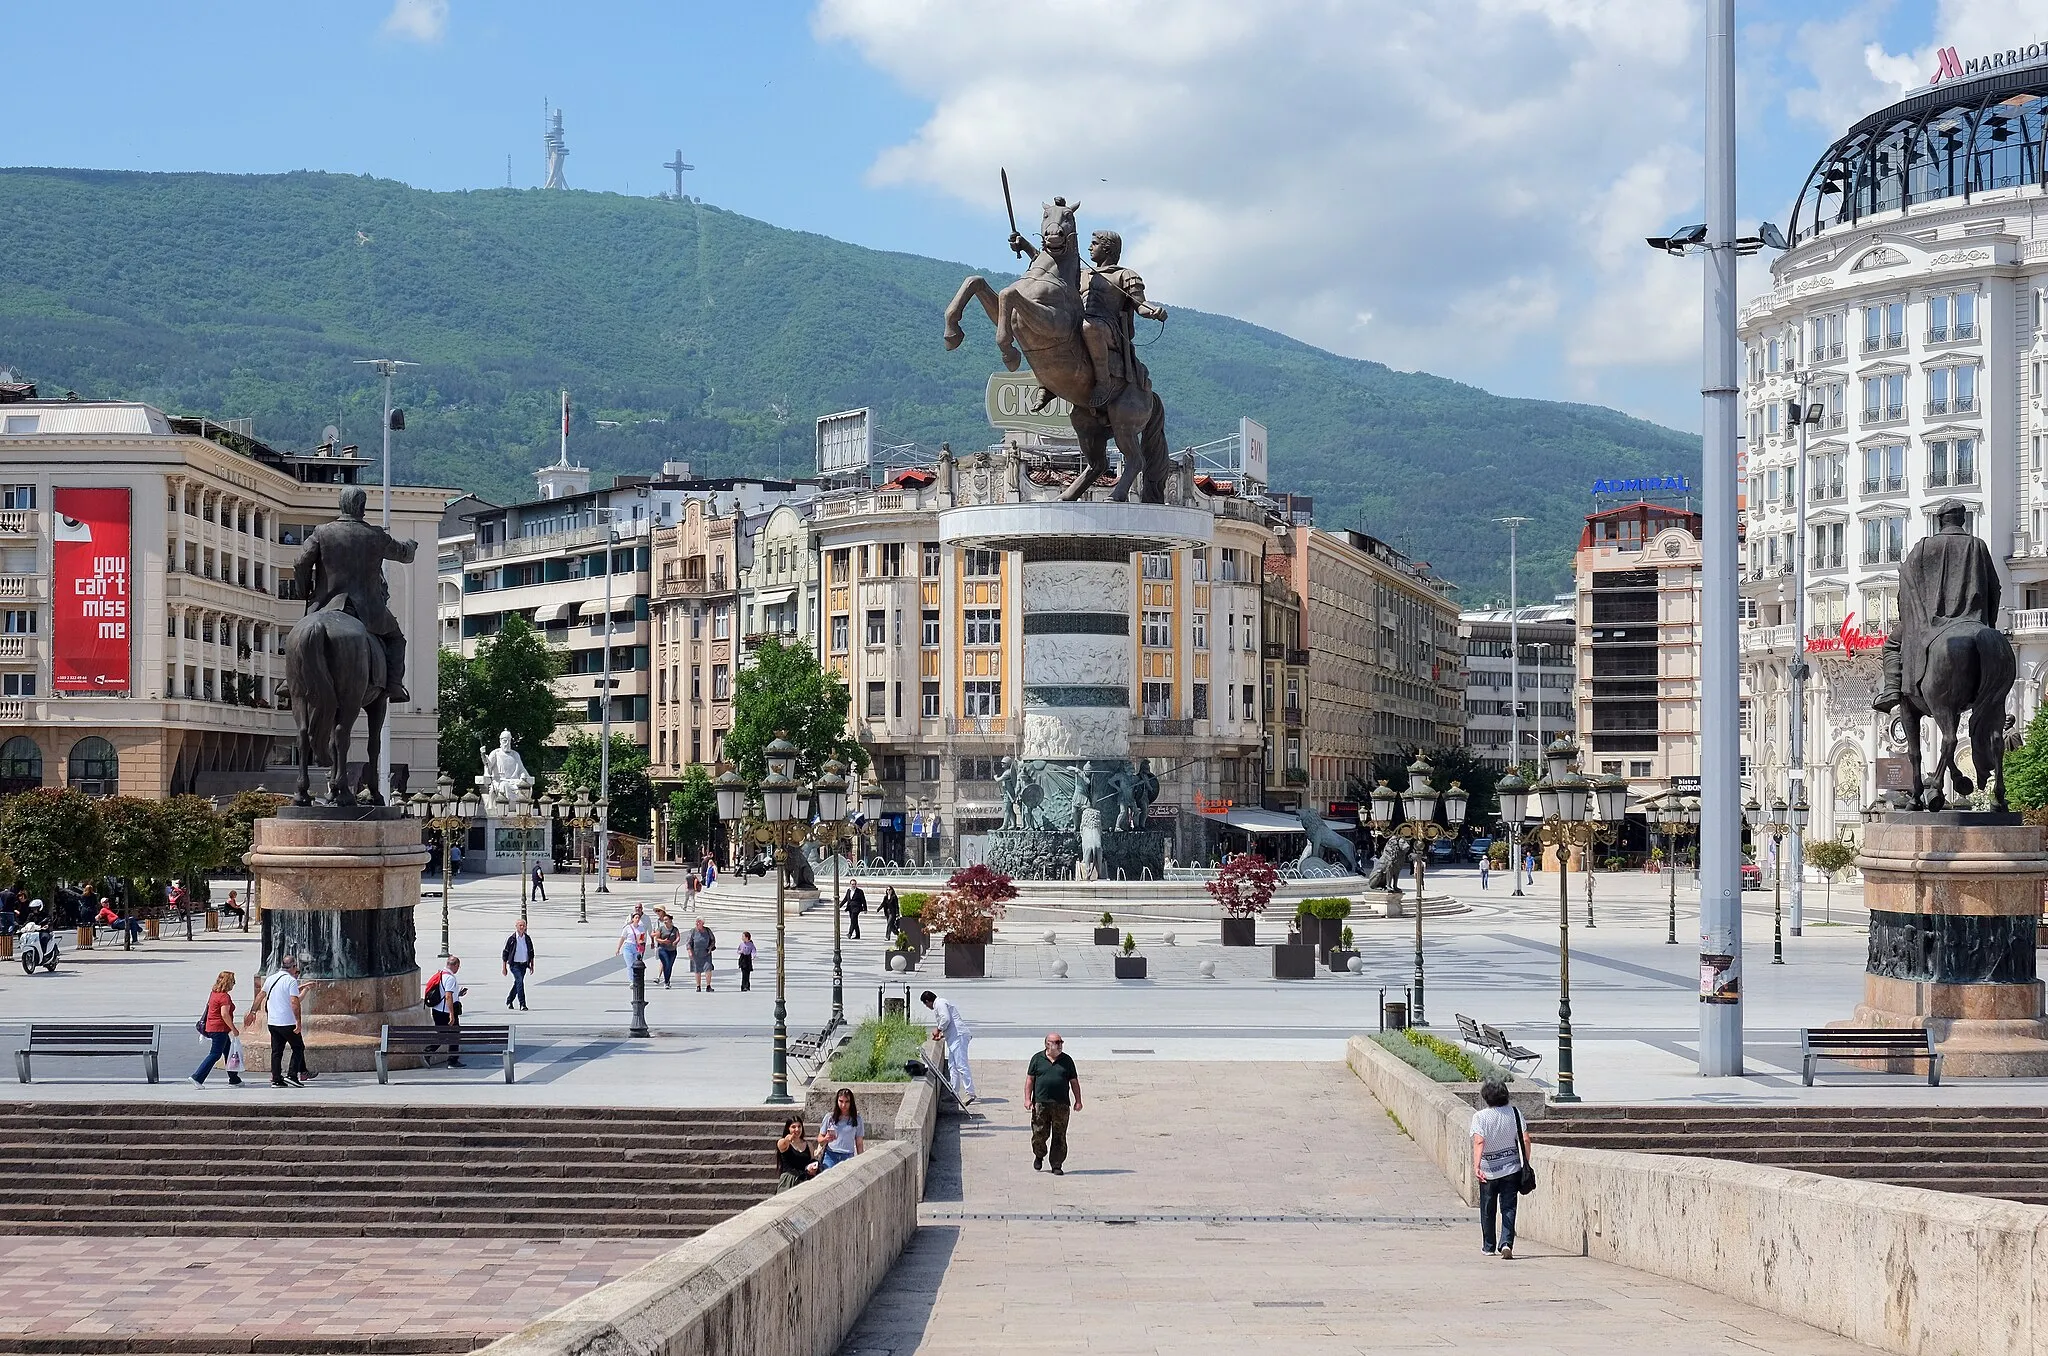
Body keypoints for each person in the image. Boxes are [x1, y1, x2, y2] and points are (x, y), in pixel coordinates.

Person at [293, 484, 417, 703]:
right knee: (397, 638)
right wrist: (411, 545)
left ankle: (290, 681)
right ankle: (395, 685)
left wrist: (304, 591)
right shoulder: (375, 535)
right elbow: (404, 554)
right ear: (362, 506)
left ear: (341, 505)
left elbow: (300, 563)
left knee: (299, 637)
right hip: (368, 610)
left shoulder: (322, 532)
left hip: (325, 606)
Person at [1470, 1079, 1532, 1258]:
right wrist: (1524, 1163)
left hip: (1488, 1170)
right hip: (1511, 1169)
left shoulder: (1480, 1117)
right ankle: (1506, 1242)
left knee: (1488, 1209)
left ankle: (1488, 1246)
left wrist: (1477, 1166)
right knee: (1509, 1207)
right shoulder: (1514, 1113)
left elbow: (1479, 1141)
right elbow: (1526, 1140)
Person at [250, 954, 313, 1088]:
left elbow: (260, 995)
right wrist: (298, 1021)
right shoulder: (290, 981)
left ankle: (277, 1079)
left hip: (273, 1022)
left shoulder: (271, 978)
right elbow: (294, 1002)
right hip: (287, 1022)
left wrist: (253, 1011)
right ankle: (292, 1075)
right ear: (293, 966)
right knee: (298, 1047)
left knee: (276, 1051)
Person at [1025, 1032, 1082, 1175]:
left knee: (1059, 1135)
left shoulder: (1067, 1060)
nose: (1060, 1045)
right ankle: (1039, 1154)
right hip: (1041, 1103)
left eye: (1061, 1042)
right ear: (1047, 1044)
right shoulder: (1037, 1059)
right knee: (1039, 1133)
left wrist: (1078, 1101)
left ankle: (1057, 1164)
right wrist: (1027, 1099)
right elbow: (1030, 1080)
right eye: (1057, 1042)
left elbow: (1074, 1082)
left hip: (1061, 1104)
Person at [920, 989, 975, 1104]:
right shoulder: (940, 1004)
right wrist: (942, 1035)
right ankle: (954, 1092)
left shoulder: (939, 1003)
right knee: (952, 1066)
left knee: (961, 1065)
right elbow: (949, 1024)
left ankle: (970, 1092)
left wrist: (938, 1029)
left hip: (958, 1037)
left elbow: (946, 1019)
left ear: (928, 1001)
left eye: (926, 1004)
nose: (927, 1007)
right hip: (953, 1038)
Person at [191, 970, 243, 1087]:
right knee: (215, 1054)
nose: (234, 984)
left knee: (228, 1051)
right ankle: (197, 1077)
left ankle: (234, 1078)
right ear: (228, 983)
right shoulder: (224, 997)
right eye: (233, 982)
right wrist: (233, 1028)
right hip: (219, 1029)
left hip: (213, 1027)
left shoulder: (213, 993)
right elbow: (224, 1014)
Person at [426, 956, 466, 1068]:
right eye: (458, 966)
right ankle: (452, 1061)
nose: (458, 968)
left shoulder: (440, 974)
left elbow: (444, 994)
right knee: (455, 1036)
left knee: (442, 1035)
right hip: (446, 1012)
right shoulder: (450, 978)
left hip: (437, 1011)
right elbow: (448, 996)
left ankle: (428, 1052)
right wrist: (452, 1014)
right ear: (454, 965)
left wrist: (458, 994)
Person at [816, 1088, 865, 1170]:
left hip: (847, 1155)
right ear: (837, 1101)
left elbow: (859, 1143)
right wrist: (826, 1138)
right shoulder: (829, 1117)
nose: (843, 1105)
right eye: (841, 1101)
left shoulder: (857, 1119)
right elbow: (819, 1139)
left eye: (847, 1102)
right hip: (831, 1155)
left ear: (851, 1102)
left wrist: (861, 1160)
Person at [775, 1115, 818, 1192]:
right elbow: (782, 1144)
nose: (797, 1129)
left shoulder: (808, 1145)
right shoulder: (783, 1143)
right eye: (793, 1127)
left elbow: (812, 1160)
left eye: (799, 1126)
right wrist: (787, 1140)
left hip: (804, 1180)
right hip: (789, 1181)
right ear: (788, 1128)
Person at [501, 919, 536, 1011]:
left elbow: (531, 952)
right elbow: (505, 953)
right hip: (514, 965)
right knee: (520, 982)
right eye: (520, 925)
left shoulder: (527, 938)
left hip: (524, 964)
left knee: (517, 983)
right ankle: (522, 1004)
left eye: (523, 925)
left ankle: (509, 1000)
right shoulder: (511, 939)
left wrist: (532, 965)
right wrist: (504, 967)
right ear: (516, 926)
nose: (522, 927)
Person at [652, 909, 682, 988]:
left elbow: (678, 937)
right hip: (662, 949)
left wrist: (675, 942)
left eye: (666, 920)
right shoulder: (661, 929)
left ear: (670, 920)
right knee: (666, 964)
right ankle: (666, 982)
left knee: (670, 966)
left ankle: (667, 980)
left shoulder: (675, 929)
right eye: (664, 920)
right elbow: (657, 938)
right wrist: (663, 941)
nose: (665, 921)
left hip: (672, 950)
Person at [686, 917, 716, 992]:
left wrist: (710, 948)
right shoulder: (692, 931)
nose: (697, 923)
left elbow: (713, 940)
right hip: (695, 953)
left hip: (706, 953)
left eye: (699, 922)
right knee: (697, 970)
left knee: (708, 968)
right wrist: (689, 951)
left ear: (703, 923)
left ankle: (708, 986)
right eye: (696, 922)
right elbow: (688, 942)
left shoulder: (707, 930)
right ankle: (698, 986)